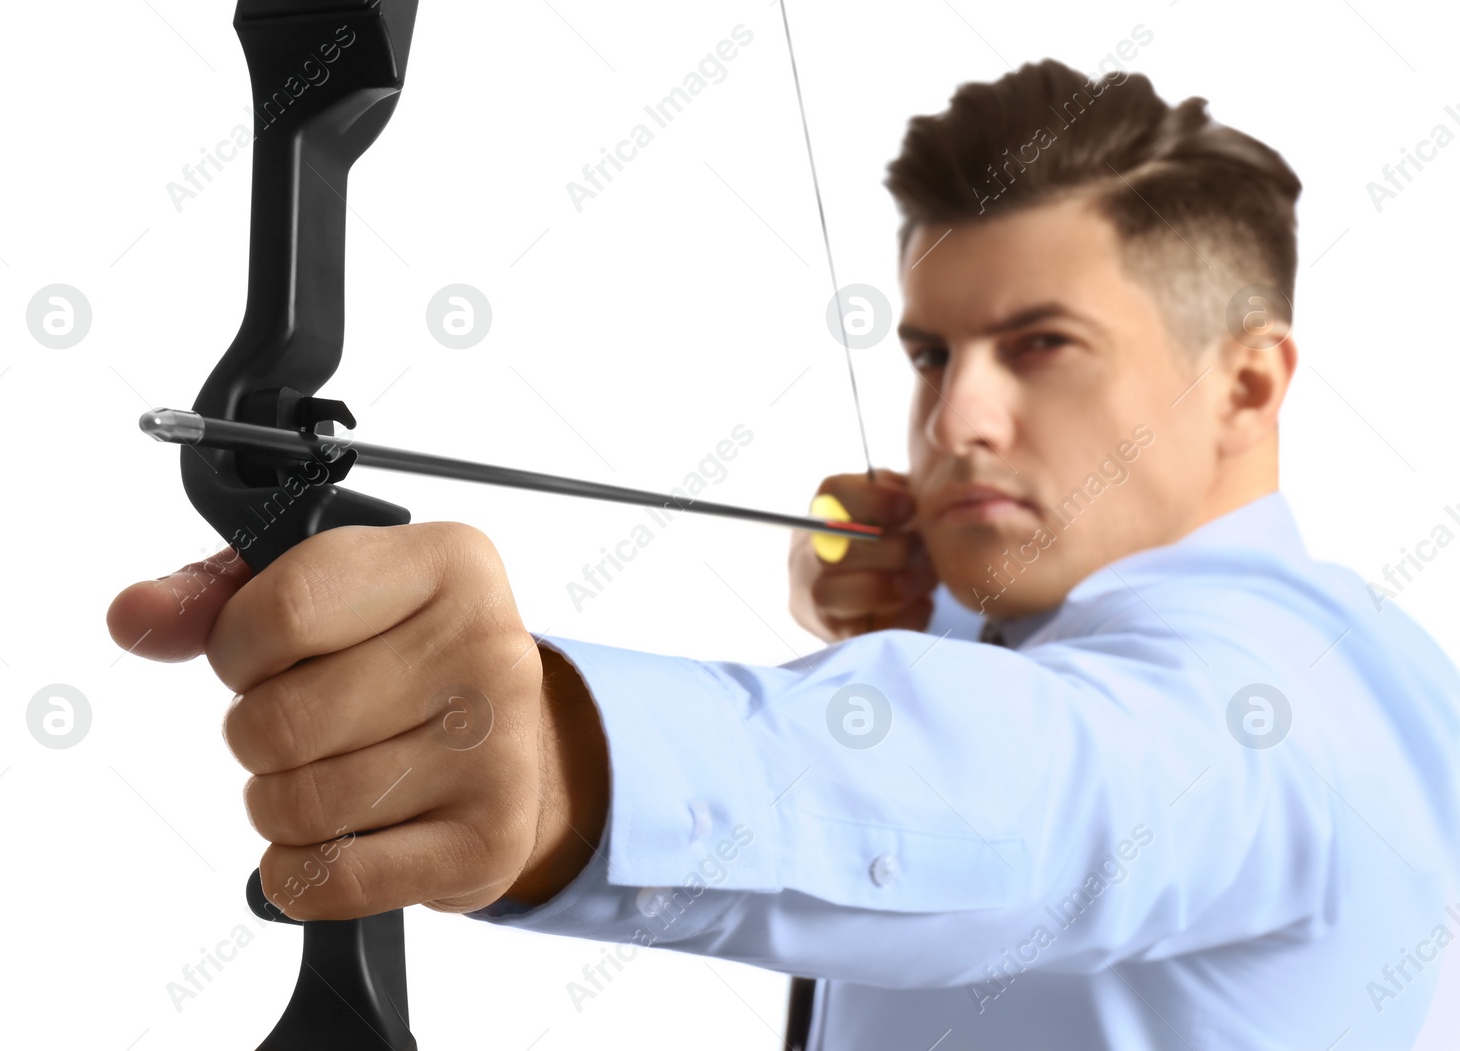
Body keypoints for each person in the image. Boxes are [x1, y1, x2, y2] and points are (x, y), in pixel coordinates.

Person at [107, 60, 1460, 1048]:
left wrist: (559, 764)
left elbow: (1058, 791)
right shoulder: (1025, 625)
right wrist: (907, 608)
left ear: (1246, 385)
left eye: (1042, 346)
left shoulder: (1299, 702)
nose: (958, 416)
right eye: (933, 354)